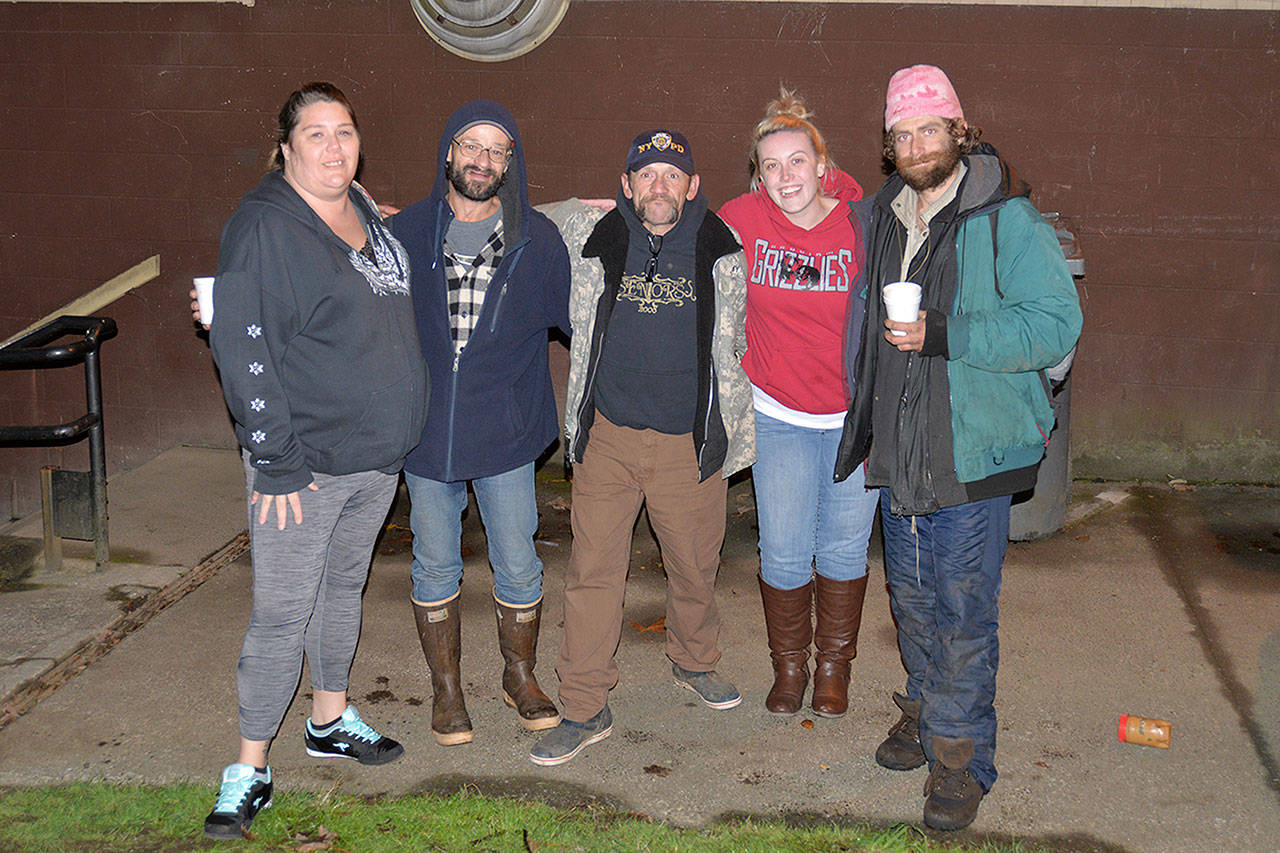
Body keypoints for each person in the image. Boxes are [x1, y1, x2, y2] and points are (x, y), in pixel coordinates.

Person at [835, 65, 1082, 831]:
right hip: (902, 452)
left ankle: (959, 761)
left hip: (971, 455)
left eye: (928, 128)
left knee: (963, 611)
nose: (915, 144)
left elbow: (1055, 324)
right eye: (901, 133)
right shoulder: (882, 217)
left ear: (958, 130)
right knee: (911, 603)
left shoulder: (1008, 218)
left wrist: (951, 333)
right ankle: (924, 709)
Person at [201, 82, 428, 840]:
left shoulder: (360, 211)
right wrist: (275, 460)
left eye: (345, 132)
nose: (334, 146)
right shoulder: (264, 228)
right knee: (280, 613)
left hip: (374, 459)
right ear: (287, 147)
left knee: (341, 591)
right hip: (306, 466)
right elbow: (240, 344)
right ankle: (249, 766)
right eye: (316, 135)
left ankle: (329, 718)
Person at [529, 130, 754, 766]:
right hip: (609, 437)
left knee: (694, 566)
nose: (660, 186)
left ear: (693, 185)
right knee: (593, 571)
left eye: (672, 175)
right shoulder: (590, 236)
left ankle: (693, 660)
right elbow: (508, 212)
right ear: (626, 186)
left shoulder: (722, 244)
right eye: (646, 175)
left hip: (689, 439)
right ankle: (583, 703)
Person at [388, 102, 571, 746]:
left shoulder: (538, 238)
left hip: (507, 431)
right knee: (435, 563)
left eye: (497, 151)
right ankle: (447, 690)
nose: (483, 161)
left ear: (510, 163)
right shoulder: (407, 233)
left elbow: (579, 318)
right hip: (428, 433)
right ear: (448, 152)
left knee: (518, 562)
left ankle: (518, 676)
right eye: (472, 146)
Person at [718, 90, 879, 719]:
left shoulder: (862, 223)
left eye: (796, 161)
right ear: (758, 176)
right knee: (783, 549)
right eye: (770, 166)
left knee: (843, 548)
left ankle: (834, 670)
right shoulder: (742, 218)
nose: (785, 176)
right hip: (777, 413)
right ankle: (790, 669)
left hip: (850, 417)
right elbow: (673, 224)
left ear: (822, 165)